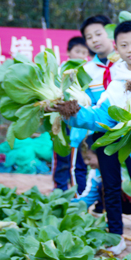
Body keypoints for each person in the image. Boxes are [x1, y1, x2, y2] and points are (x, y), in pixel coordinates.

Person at [60, 20, 131, 253]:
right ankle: (115, 236)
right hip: (107, 133)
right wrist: (71, 113)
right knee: (110, 186)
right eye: (125, 45)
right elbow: (100, 112)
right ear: (117, 48)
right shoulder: (112, 78)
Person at [52, 36, 90, 195]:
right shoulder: (60, 72)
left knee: (80, 161)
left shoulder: (88, 72)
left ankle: (79, 194)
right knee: (62, 158)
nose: (81, 55)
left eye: (84, 52)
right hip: (62, 122)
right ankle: (60, 192)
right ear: (68, 52)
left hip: (82, 125)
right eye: (77, 51)